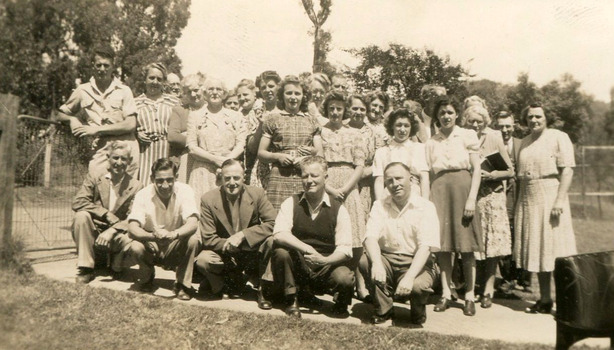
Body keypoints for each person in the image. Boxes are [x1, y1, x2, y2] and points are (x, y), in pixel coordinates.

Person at [271, 156, 355, 318]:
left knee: (344, 277)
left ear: (325, 177)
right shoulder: (291, 202)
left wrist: (324, 260)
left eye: (314, 176)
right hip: (300, 263)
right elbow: (279, 234)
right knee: (281, 252)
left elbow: (345, 250)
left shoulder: (339, 209)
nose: (309, 180)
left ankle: (341, 303)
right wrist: (307, 248)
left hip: (326, 265)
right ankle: (292, 299)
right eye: (305, 176)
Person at [514, 103, 577, 314]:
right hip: (528, 197)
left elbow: (567, 171)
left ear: (546, 117)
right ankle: (545, 299)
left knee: (556, 251)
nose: (534, 120)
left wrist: (559, 201)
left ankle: (565, 303)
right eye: (530, 117)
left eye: (538, 116)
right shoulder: (524, 142)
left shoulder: (558, 137)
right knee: (539, 250)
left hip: (551, 195)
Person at [361, 162, 440, 325]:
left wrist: (410, 277)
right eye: (389, 180)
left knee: (417, 286)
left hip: (417, 262)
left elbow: (425, 248)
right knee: (365, 261)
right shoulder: (379, 205)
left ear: (410, 179)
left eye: (399, 178)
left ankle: (418, 310)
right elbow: (370, 237)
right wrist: (376, 263)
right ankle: (384, 309)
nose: (394, 184)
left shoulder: (425, 207)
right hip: (387, 260)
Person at [425, 95, 483, 316]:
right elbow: (430, 173)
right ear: (437, 117)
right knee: (443, 248)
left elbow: (476, 169)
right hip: (439, 191)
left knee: (466, 246)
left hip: (463, 190)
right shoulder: (431, 142)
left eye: (450, 112)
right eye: (441, 113)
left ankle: (469, 295)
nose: (446, 116)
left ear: (457, 114)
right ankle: (446, 293)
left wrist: (471, 198)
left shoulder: (467, 135)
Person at [195, 159, 277, 309]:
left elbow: (273, 223)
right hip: (225, 254)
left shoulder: (257, 194)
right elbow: (208, 238)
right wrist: (231, 245)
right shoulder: (208, 199)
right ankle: (223, 286)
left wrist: (243, 236)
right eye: (227, 178)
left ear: (244, 177)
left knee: (272, 241)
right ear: (221, 178)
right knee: (203, 260)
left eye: (236, 178)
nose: (232, 183)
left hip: (251, 253)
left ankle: (264, 290)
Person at [57, 44, 139, 178]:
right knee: (96, 188)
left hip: (126, 147)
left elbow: (130, 124)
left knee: (125, 195)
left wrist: (97, 129)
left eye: (106, 65)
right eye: (98, 65)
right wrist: (72, 119)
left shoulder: (124, 90)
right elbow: (60, 114)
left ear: (113, 66)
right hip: (102, 148)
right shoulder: (82, 90)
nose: (102, 69)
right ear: (93, 66)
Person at [461, 105, 514, 308]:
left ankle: (488, 289)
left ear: (485, 121)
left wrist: (492, 175)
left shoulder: (494, 137)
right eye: (471, 121)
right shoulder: (463, 138)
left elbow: (510, 171)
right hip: (472, 197)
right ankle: (471, 287)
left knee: (492, 246)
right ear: (465, 121)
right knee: (474, 245)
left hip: (492, 196)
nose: (475, 125)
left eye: (479, 121)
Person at [127, 158, 201, 300]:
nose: (165, 185)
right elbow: (132, 229)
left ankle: (182, 285)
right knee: (136, 246)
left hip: (174, 243)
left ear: (176, 178)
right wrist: (153, 236)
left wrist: (173, 234)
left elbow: (193, 223)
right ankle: (146, 278)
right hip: (152, 243)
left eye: (169, 180)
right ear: (152, 179)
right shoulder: (142, 194)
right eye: (159, 180)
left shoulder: (185, 190)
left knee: (193, 240)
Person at [71, 141, 143, 283]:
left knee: (135, 235)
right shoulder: (95, 177)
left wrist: (112, 230)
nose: (119, 162)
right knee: (81, 216)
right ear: (108, 158)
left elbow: (134, 217)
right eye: (115, 158)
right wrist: (105, 214)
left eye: (124, 159)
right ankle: (86, 268)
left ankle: (117, 266)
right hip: (95, 232)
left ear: (129, 161)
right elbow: (78, 202)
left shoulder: (136, 185)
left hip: (118, 235)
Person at [320, 91, 368, 299]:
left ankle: (355, 283)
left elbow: (359, 165)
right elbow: (319, 162)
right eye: (331, 108)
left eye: (339, 108)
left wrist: (346, 188)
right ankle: (334, 283)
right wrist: (329, 188)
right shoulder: (321, 132)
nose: (335, 112)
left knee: (355, 234)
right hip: (327, 182)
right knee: (331, 233)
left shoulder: (355, 134)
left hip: (349, 185)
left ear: (344, 110)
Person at [257, 75, 323, 210]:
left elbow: (320, 154)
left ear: (303, 96)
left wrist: (307, 159)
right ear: (282, 95)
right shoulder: (272, 119)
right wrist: (278, 156)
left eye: (297, 93)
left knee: (304, 217)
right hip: (279, 178)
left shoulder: (312, 121)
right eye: (289, 93)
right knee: (277, 218)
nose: (293, 97)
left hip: (304, 178)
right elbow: (261, 153)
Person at [187, 77, 247, 202]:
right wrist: (215, 159)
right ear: (204, 93)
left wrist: (226, 162)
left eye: (218, 89)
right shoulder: (195, 116)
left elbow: (241, 144)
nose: (214, 92)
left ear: (224, 93)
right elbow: (192, 147)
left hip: (229, 171)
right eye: (211, 89)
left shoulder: (236, 116)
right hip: (203, 171)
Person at [493, 111, 532, 292]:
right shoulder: (493, 143)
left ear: (514, 125)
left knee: (522, 233)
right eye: (501, 126)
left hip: (521, 194)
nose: (505, 130)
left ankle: (525, 279)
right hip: (502, 194)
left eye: (508, 126)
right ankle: (508, 278)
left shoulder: (521, 144)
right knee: (505, 233)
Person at [135, 63, 179, 185]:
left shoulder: (174, 102)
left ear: (164, 82)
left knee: (167, 186)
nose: (155, 82)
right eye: (151, 78)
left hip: (167, 151)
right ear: (145, 79)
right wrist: (136, 133)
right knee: (145, 186)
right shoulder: (135, 103)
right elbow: (129, 126)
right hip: (144, 152)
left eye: (159, 79)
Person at [373, 108, 429, 200]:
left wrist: (425, 204)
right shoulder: (381, 152)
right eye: (398, 125)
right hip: (389, 197)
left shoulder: (420, 149)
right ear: (392, 126)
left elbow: (424, 178)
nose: (402, 130)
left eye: (406, 126)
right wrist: (378, 204)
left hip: (414, 197)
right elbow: (379, 181)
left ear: (411, 127)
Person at [245, 71, 282, 188]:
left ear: (278, 87)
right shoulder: (255, 112)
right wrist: (261, 125)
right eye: (263, 87)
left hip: (283, 164)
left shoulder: (286, 110)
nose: (267, 90)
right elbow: (251, 148)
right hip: (262, 167)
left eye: (271, 86)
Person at [167, 74, 206, 183]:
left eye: (196, 90)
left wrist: (187, 134)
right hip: (186, 158)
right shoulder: (179, 110)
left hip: (209, 158)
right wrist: (199, 138)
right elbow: (173, 137)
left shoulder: (212, 109)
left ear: (203, 89)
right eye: (189, 92)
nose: (193, 94)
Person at [346, 94, 376, 217]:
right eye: (355, 108)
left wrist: (365, 172)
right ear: (348, 109)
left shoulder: (373, 132)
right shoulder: (340, 127)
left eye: (362, 109)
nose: (358, 112)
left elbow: (379, 159)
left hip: (365, 183)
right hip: (344, 181)